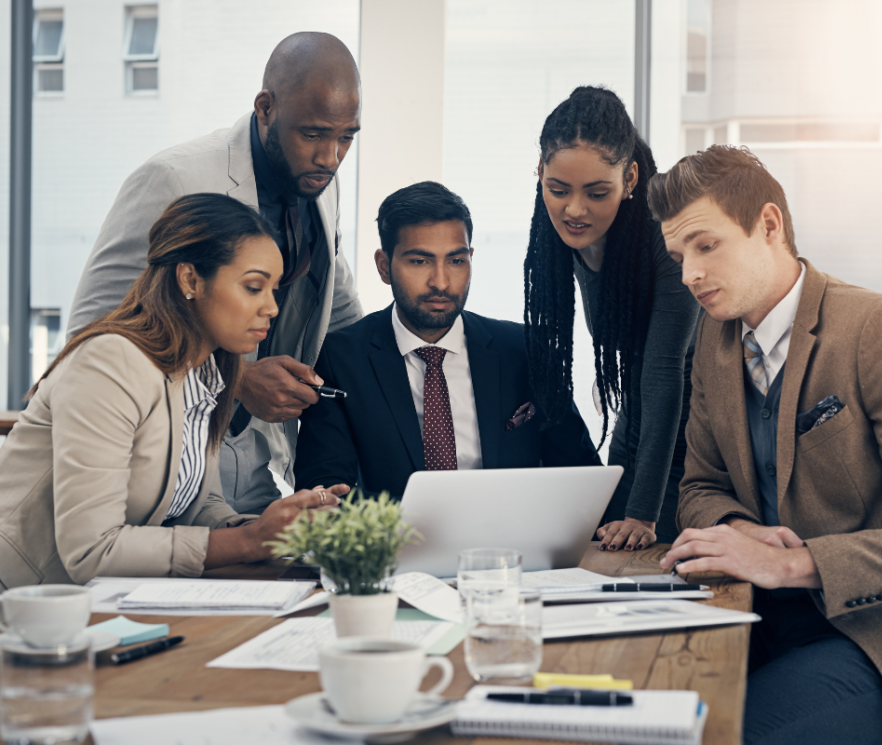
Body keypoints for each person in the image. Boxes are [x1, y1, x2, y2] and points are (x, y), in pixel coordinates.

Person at [649, 145, 882, 744]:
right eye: (678, 255)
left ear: (769, 225)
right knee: (633, 708)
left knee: (714, 737)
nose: (688, 273)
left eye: (705, 245)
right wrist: (742, 533)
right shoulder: (713, 350)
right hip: (767, 619)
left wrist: (793, 563)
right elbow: (700, 487)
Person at [67, 32, 363, 514]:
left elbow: (339, 304)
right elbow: (90, 336)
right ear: (265, 107)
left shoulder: (319, 182)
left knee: (297, 576)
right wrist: (238, 380)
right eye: (312, 134)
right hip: (158, 460)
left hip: (251, 455)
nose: (330, 157)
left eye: (346, 137)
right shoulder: (173, 179)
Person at [0, 195, 345, 589]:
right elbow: (91, 552)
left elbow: (198, 508)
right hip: (21, 604)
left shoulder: (207, 371)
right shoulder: (110, 363)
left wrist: (286, 528)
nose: (272, 308)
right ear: (190, 280)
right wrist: (248, 541)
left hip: (95, 603)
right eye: (253, 287)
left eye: (274, 291)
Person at [294, 181, 602, 497]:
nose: (441, 282)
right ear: (384, 266)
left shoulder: (524, 349)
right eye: (419, 261)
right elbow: (322, 492)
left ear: (471, 258)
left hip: (509, 542)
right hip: (399, 542)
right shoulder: (340, 359)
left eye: (456, 261)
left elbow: (583, 474)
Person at [524, 86, 701, 551]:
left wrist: (642, 514)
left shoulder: (665, 240)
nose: (575, 210)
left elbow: (665, 376)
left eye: (597, 193)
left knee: (647, 550)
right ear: (540, 172)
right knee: (598, 545)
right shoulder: (562, 239)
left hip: (703, 434)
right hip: (640, 420)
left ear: (630, 180)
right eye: (558, 189)